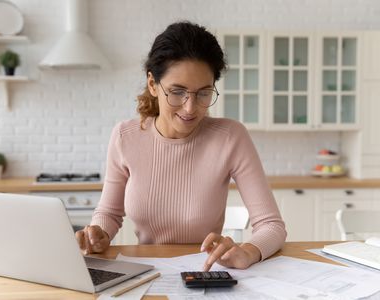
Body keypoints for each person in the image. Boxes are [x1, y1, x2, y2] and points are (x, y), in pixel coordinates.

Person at [76, 21, 286, 271]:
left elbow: (272, 226)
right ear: (153, 84)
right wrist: (99, 234)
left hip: (206, 272)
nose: (190, 107)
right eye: (177, 92)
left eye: (203, 93)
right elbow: (109, 214)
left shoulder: (230, 137)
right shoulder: (125, 136)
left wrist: (247, 252)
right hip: (146, 272)